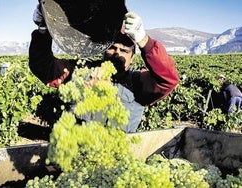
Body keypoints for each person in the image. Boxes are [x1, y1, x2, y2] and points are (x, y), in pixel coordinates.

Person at [29, 4, 180, 133]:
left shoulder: (138, 84)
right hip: (75, 155)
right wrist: (43, 30)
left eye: (124, 50)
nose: (117, 54)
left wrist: (144, 41)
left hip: (115, 161)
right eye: (112, 48)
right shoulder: (80, 70)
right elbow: (43, 67)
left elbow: (167, 80)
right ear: (103, 50)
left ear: (132, 57)